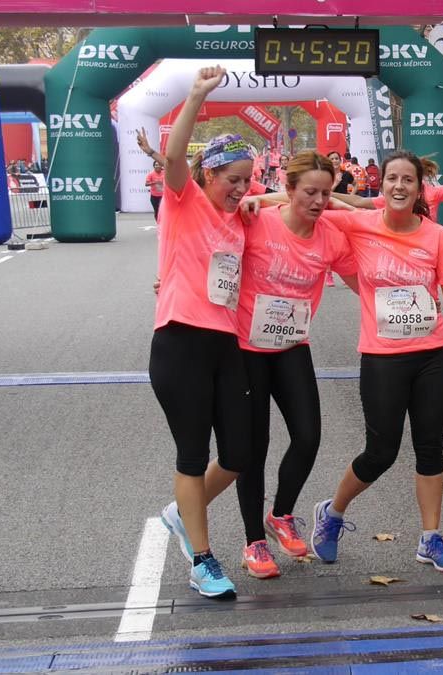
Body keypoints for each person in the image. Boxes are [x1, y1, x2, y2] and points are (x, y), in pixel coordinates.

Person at [309, 151, 443, 572]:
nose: (400, 186)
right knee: (380, 452)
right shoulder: (359, 223)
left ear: (420, 188)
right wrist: (258, 200)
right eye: (392, 179)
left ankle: (430, 538)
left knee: (430, 446)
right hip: (382, 357)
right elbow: (305, 204)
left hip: (431, 355)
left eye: (408, 180)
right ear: (381, 185)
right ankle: (332, 512)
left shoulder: (436, 236)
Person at [151, 66, 256, 599]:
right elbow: (173, 159)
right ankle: (202, 560)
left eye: (247, 179)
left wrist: (259, 201)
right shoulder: (183, 200)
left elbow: (283, 203)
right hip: (180, 341)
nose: (240, 188)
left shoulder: (240, 218)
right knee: (192, 454)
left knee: (238, 453)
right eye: (232, 179)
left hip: (225, 344)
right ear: (208, 174)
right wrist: (195, 96)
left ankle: (180, 511)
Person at [231, 152, 360, 578]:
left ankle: (281, 514)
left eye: (326, 193)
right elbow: (213, 251)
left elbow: (361, 281)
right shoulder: (257, 220)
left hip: (291, 345)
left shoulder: (330, 237)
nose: (319, 201)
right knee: (254, 448)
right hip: (246, 348)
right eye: (309, 192)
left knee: (308, 436)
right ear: (288, 190)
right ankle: (254, 542)